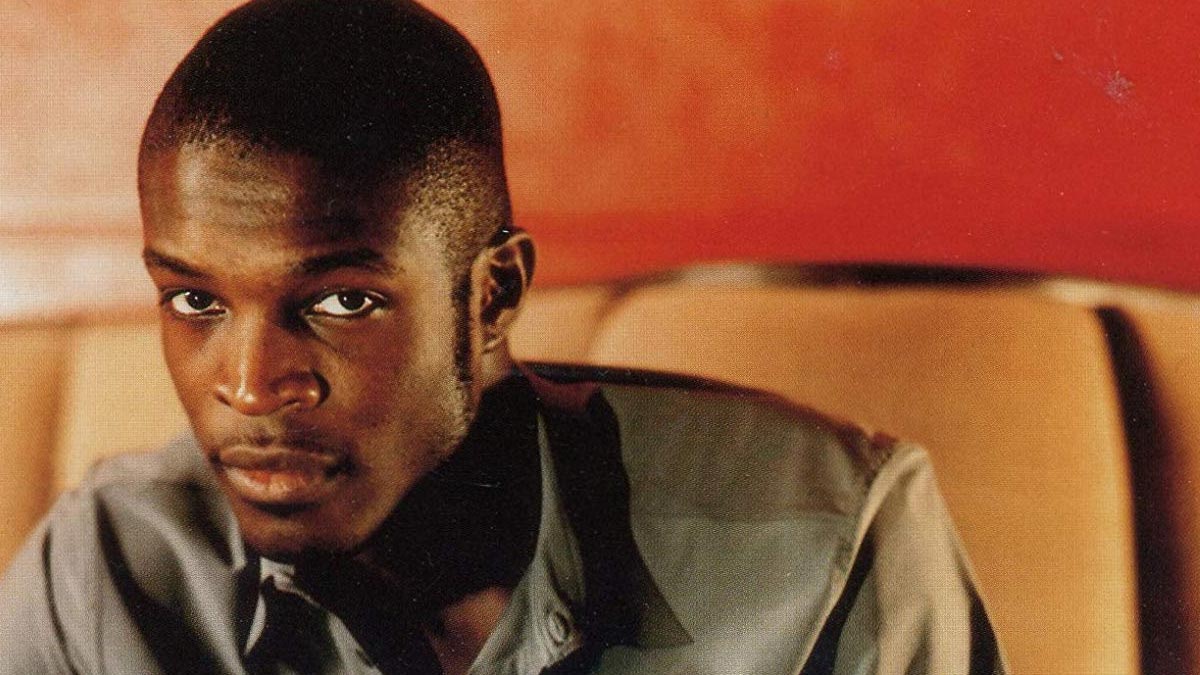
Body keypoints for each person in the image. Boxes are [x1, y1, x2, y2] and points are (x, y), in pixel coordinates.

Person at [0, 0, 1003, 672]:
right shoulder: (108, 571)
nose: (254, 386)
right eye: (196, 302)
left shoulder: (829, 538)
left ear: (492, 296)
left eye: (343, 302)